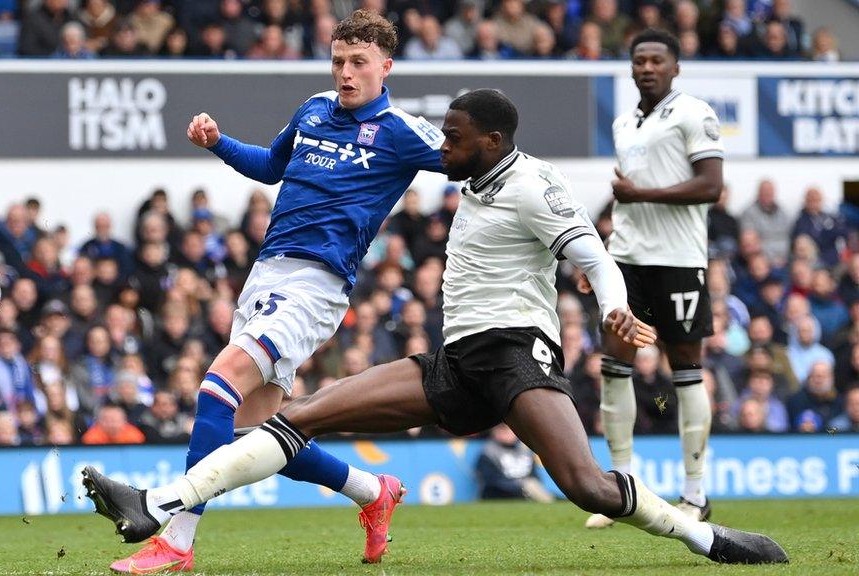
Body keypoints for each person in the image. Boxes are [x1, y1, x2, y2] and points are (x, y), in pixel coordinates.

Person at [82, 89, 788, 568]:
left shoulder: (533, 184)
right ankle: (158, 504)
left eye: (452, 140)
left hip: (518, 360)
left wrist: (611, 306)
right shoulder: (473, 182)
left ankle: (707, 538)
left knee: (589, 486)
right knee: (302, 415)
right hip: (455, 364)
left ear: (492, 139)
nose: (439, 149)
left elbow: (594, 256)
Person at [89, 9, 447, 573]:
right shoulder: (313, 110)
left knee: (217, 385)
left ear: (386, 66)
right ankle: (372, 491)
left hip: (317, 282)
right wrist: (218, 143)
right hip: (266, 275)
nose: (346, 73)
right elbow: (271, 166)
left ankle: (175, 539)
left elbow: (468, 157)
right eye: (338, 61)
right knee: (255, 436)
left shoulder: (401, 131)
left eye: (359, 62)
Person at [583, 29, 724, 529]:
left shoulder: (695, 113)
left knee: (684, 369)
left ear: (675, 67)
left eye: (656, 60)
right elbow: (624, 195)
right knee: (614, 365)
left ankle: (695, 493)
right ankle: (621, 489)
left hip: (680, 259)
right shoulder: (624, 123)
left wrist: (642, 193)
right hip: (627, 260)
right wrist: (598, 258)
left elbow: (711, 186)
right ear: (630, 67)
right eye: (639, 59)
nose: (646, 67)